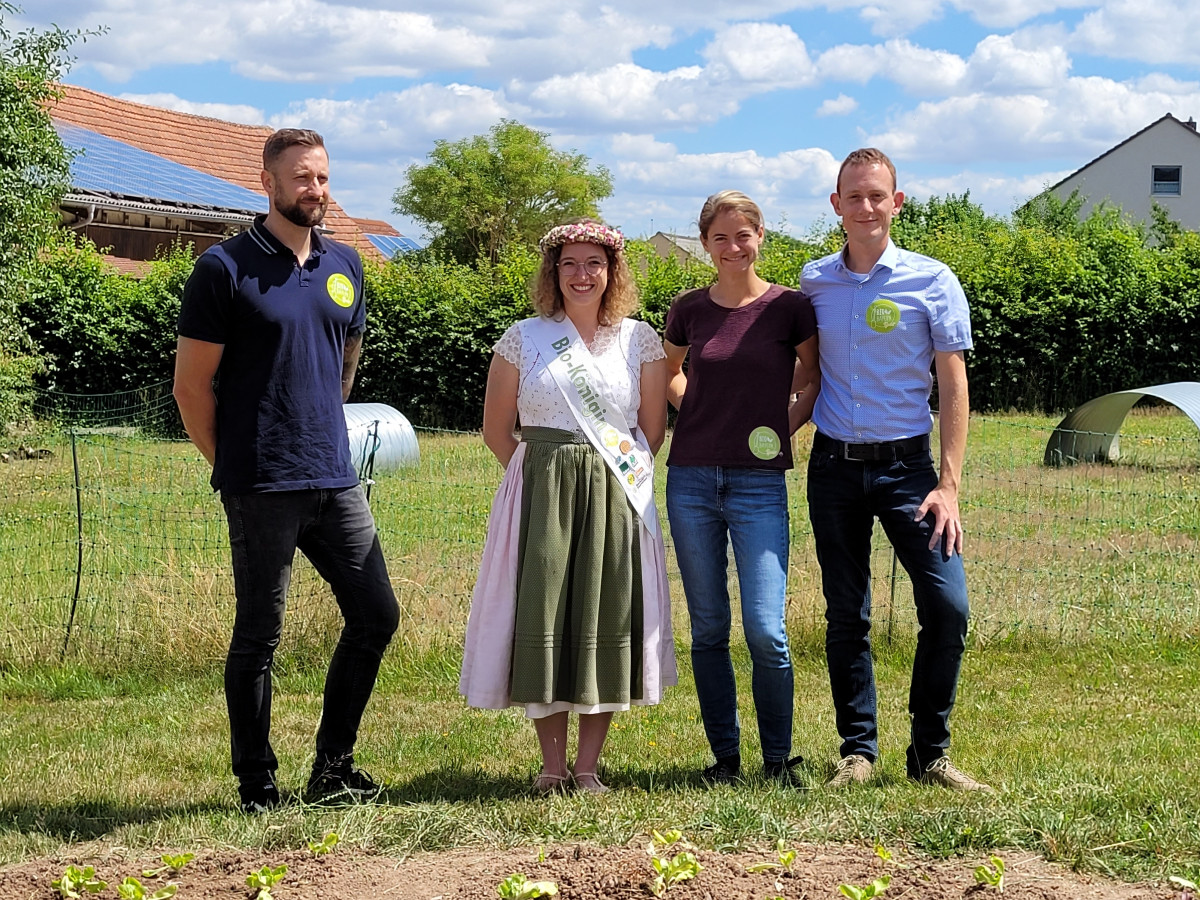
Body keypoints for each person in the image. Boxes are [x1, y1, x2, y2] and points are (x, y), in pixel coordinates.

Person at [173, 128, 400, 813]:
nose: (316, 190)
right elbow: (190, 389)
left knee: (376, 616)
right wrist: (235, 465)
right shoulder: (225, 268)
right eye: (302, 178)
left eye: (323, 178)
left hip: (334, 478)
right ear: (268, 183)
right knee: (259, 634)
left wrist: (320, 427)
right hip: (261, 484)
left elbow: (346, 358)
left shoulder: (345, 265)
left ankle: (332, 769)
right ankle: (257, 785)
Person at [458, 220, 676, 794]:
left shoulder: (640, 340)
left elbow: (651, 430)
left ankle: (587, 768)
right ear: (553, 271)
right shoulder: (524, 337)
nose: (582, 275)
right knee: (545, 614)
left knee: (604, 616)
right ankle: (551, 767)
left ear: (613, 272)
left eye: (594, 264)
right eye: (570, 264)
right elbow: (496, 430)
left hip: (615, 491)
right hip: (541, 493)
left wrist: (604, 477)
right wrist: (540, 477)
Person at [802, 148, 991, 791]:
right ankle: (858, 750)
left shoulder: (933, 280)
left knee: (948, 606)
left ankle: (929, 753)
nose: (866, 207)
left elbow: (953, 383)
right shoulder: (813, 282)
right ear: (836, 206)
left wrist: (949, 484)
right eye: (853, 197)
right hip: (832, 468)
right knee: (845, 614)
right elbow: (799, 373)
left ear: (897, 202)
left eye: (877, 195)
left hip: (910, 471)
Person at [663, 191, 820, 786]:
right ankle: (725, 760)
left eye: (743, 235)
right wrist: (692, 405)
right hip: (692, 479)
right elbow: (670, 371)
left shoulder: (790, 308)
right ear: (705, 244)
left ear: (760, 238)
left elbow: (813, 375)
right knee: (708, 628)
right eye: (720, 238)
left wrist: (786, 423)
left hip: (759, 484)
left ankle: (778, 762)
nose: (733, 247)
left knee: (765, 628)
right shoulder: (688, 309)